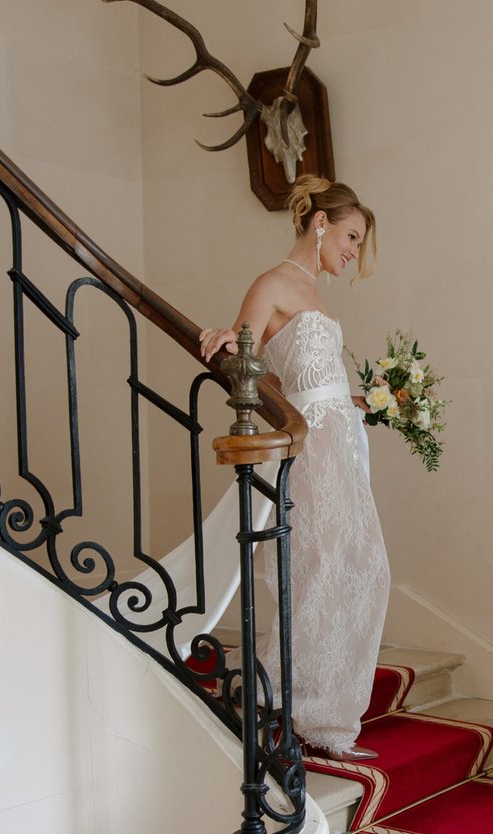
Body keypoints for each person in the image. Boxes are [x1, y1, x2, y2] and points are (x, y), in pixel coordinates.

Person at [199, 176, 388, 761]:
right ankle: (300, 709)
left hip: (340, 446)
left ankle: (322, 711)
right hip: (309, 451)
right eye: (352, 236)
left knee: (363, 570)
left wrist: (353, 400)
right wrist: (227, 340)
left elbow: (298, 378)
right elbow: (249, 370)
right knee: (313, 572)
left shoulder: (315, 293)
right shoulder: (273, 283)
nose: (354, 251)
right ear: (321, 223)